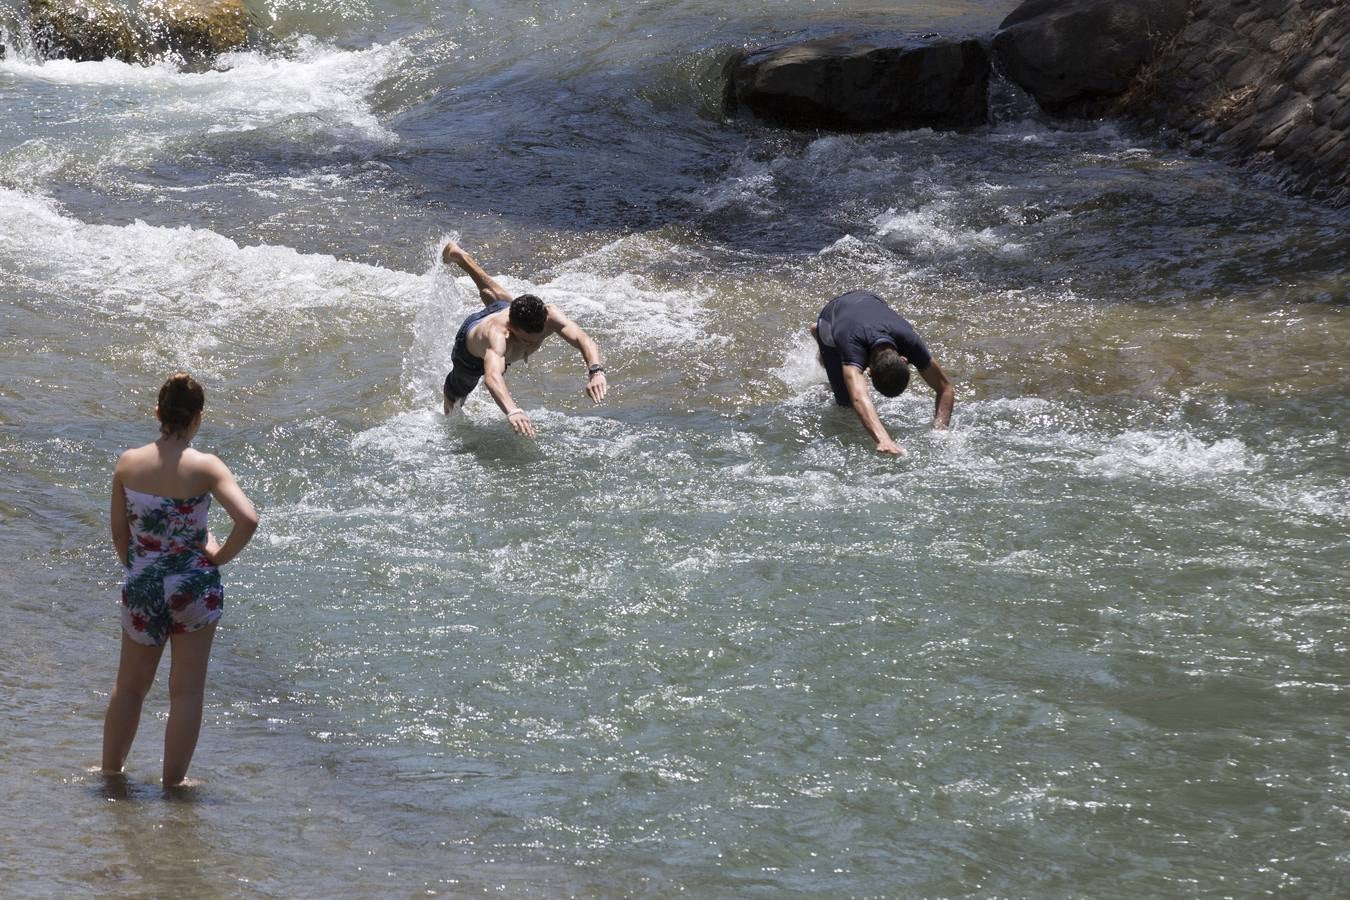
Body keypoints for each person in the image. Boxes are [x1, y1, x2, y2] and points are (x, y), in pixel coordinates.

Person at [102, 372, 258, 788]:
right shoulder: (206, 467)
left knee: (130, 687)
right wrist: (217, 556)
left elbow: (120, 534)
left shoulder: (128, 463)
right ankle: (173, 784)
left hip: (143, 585)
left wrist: (142, 570)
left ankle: (111, 774)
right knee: (186, 693)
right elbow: (248, 519)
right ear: (198, 419)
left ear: (157, 412)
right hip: (193, 588)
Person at [440, 240, 608, 437]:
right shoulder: (498, 335)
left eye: (537, 338)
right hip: (470, 350)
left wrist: (596, 371)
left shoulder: (549, 314)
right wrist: (513, 410)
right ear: (511, 327)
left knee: (501, 300)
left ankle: (461, 257)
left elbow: (583, 338)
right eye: (526, 340)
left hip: (506, 311)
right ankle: (448, 429)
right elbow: (492, 377)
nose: (531, 344)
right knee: (457, 396)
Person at [811, 290, 954, 455]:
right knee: (845, 402)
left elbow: (945, 388)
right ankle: (822, 337)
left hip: (869, 298)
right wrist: (883, 439)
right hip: (832, 315)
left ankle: (829, 344)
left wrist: (940, 432)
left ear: (904, 359)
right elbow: (858, 396)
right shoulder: (853, 348)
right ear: (869, 372)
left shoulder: (910, 342)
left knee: (847, 370)